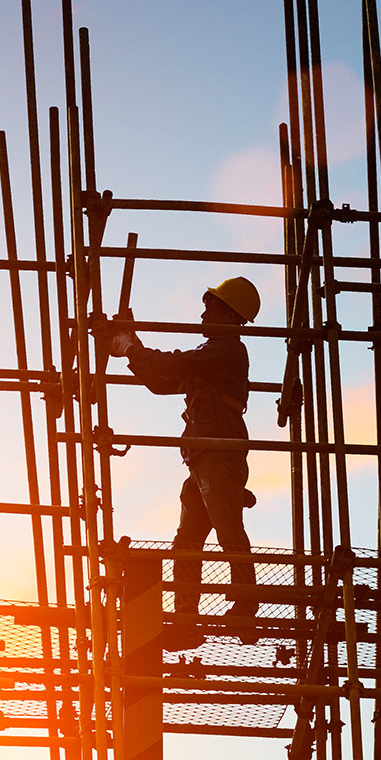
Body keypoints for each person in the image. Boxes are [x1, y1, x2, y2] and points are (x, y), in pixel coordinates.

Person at [96, 277, 262, 649]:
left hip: (219, 454)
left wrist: (132, 347)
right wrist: (133, 350)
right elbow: (162, 380)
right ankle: (186, 620)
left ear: (229, 314)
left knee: (228, 530)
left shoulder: (227, 351)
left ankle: (246, 607)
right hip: (203, 457)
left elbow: (173, 365)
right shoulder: (212, 355)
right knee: (187, 541)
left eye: (211, 307)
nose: (203, 313)